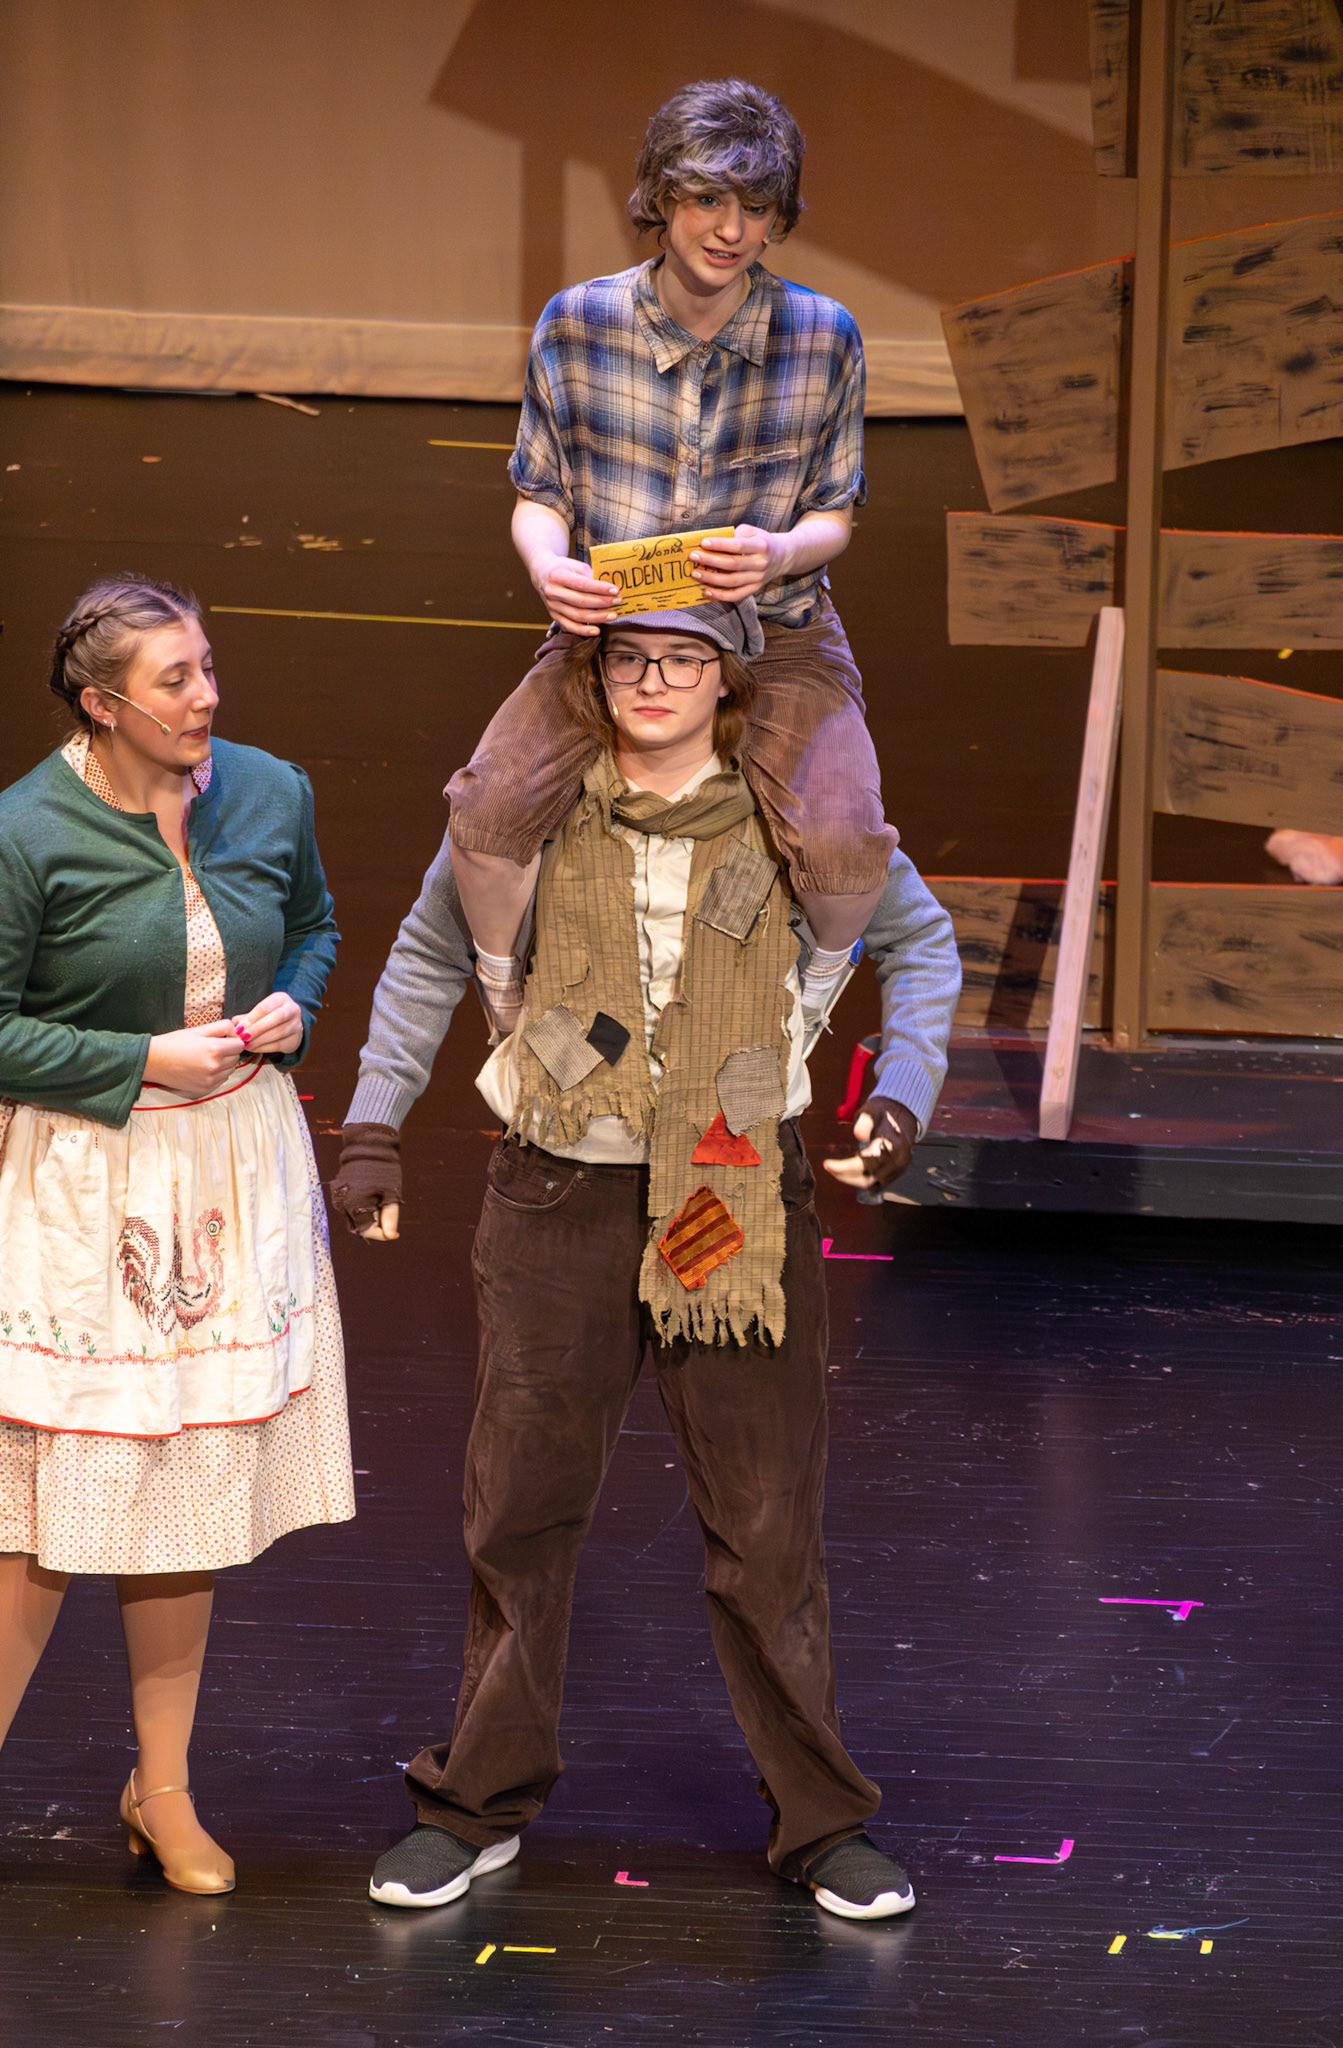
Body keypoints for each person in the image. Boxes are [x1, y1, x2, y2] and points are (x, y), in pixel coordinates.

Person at [333, 603, 960, 1920]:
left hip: (732, 1195)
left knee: (768, 1527)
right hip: (560, 1186)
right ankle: (479, 1802)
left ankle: (821, 1822)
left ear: (726, 680)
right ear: (593, 674)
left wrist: (901, 1089)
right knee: (520, 1512)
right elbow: (422, 959)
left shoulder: (782, 818)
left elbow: (922, 943)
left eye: (684, 659)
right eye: (631, 658)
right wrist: (374, 1128)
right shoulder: (533, 820)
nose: (657, 681)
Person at [0, 576, 354, 1896]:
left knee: (186, 1501)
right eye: (174, 681)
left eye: (208, 667)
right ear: (102, 706)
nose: (206, 698)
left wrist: (288, 1011)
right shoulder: (29, 833)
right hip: (89, 1175)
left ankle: (165, 1790)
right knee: (38, 1514)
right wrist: (138, 1052)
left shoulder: (270, 790)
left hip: (229, 1168)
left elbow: (312, 926)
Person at [444, 76, 895, 1046]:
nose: (730, 229)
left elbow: (835, 514)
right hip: (612, 636)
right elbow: (539, 493)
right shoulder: (579, 324)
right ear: (661, 198)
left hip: (776, 633)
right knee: (486, 815)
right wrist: (548, 567)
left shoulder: (824, 338)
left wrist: (780, 549)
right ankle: (507, 1007)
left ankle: (808, 1005)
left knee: (848, 847)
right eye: (707, 200)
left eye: (756, 207)